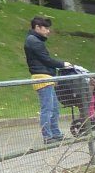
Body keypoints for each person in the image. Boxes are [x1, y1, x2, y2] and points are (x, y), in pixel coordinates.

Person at [24, 15, 71, 144]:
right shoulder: (33, 41)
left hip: (46, 77)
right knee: (47, 108)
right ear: (37, 27)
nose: (48, 31)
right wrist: (63, 64)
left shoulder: (35, 40)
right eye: (45, 28)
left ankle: (55, 133)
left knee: (54, 108)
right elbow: (46, 60)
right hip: (41, 78)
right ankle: (47, 136)